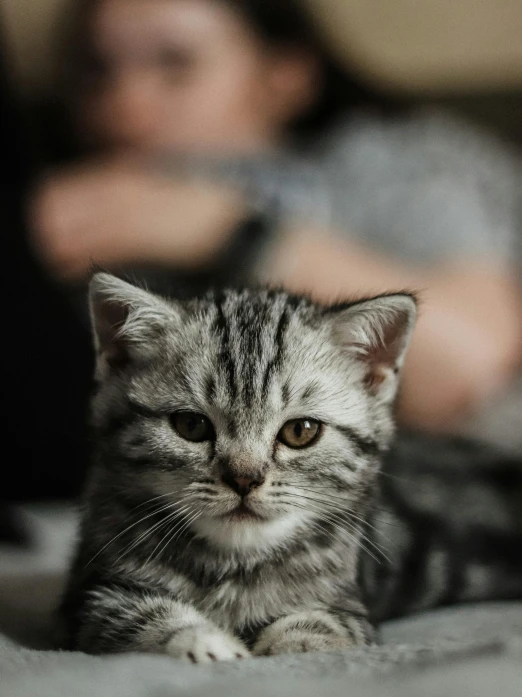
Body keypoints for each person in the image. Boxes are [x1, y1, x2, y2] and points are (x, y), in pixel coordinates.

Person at [29, 0, 522, 434]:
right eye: (95, 72)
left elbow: (467, 368)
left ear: (285, 78)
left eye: (175, 64)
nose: (124, 106)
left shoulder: (391, 161)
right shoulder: (60, 196)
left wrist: (229, 231)